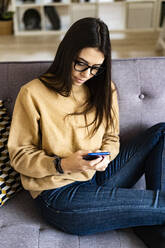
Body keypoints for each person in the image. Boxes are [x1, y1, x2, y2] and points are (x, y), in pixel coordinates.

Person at [7, 17, 165, 248]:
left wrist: (105, 157)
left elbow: (111, 137)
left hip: (96, 174)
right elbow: (19, 156)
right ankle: (151, 218)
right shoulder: (32, 93)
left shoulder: (104, 89)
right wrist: (62, 164)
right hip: (59, 195)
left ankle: (151, 221)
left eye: (95, 68)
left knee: (161, 131)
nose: (86, 73)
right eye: (80, 63)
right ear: (66, 53)